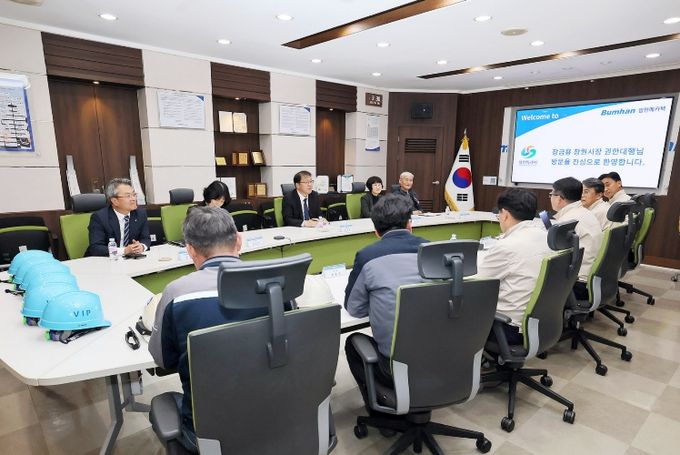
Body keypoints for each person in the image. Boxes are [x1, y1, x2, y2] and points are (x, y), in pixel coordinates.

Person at [149, 207, 271, 452]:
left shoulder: (176, 293)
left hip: (208, 429)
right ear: (238, 241)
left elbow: (164, 361)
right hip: (276, 415)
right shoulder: (275, 283)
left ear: (190, 250)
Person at [344, 194, 428, 406]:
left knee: (353, 344)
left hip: (393, 366)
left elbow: (354, 309)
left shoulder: (367, 256)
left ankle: (383, 406)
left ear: (376, 231)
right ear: (410, 224)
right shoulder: (433, 250)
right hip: (440, 358)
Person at [476, 188, 553, 345]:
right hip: (541, 322)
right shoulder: (548, 238)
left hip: (507, 328)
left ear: (504, 214)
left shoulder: (506, 247)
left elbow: (476, 285)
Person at [551, 177, 604, 297]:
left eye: (551, 194)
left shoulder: (566, 222)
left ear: (559, 198)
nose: (551, 198)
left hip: (578, 284)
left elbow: (553, 258)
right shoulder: (586, 213)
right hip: (592, 278)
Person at [85, 178, 150, 257]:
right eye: (128, 196)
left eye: (134, 194)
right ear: (115, 201)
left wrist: (141, 246)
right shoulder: (100, 218)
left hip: (129, 259)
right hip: (104, 260)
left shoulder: (140, 214)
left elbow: (146, 238)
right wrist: (124, 251)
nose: (133, 199)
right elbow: (96, 248)